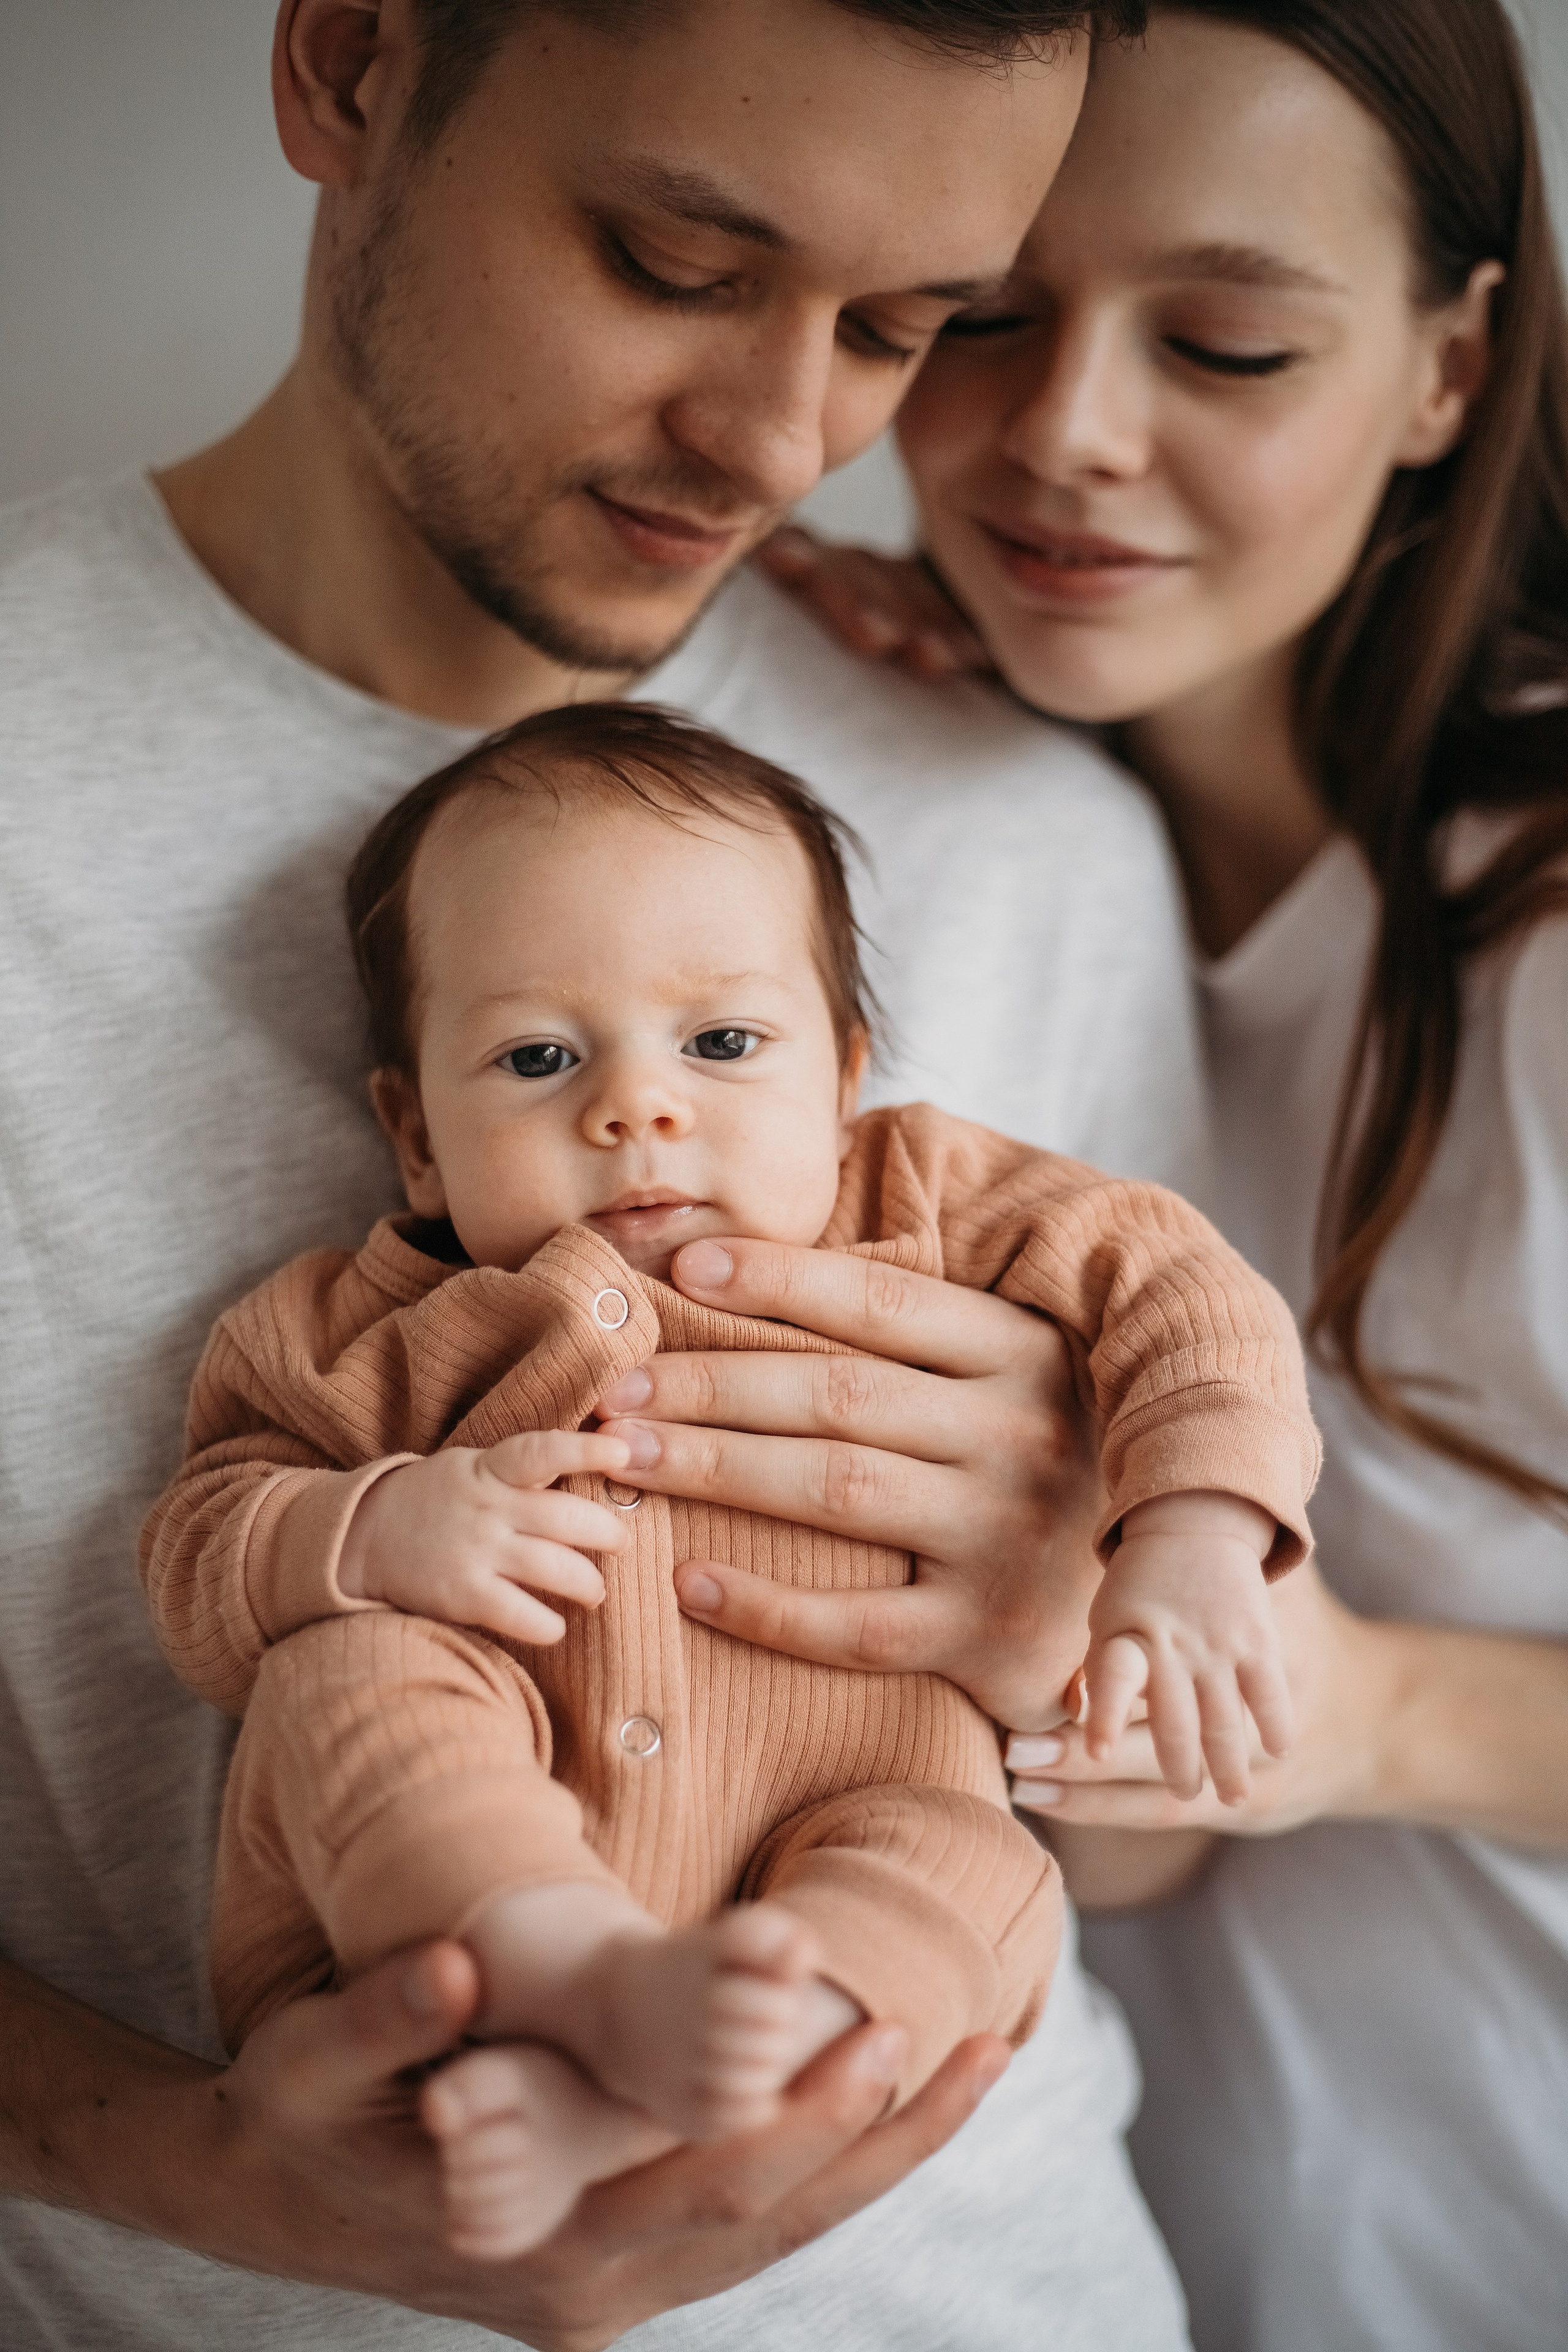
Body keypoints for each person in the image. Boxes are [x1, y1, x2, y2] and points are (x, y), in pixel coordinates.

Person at [0, 3, 1198, 2348]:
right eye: (673, 260)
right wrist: (200, 2174)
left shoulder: (1011, 821)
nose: (784, 443)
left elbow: (1138, 1858)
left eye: (897, 326)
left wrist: (1084, 1589)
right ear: (350, 67)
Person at [748, 3, 1568, 2345]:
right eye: (979, 315)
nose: (1063, 437)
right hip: (1170, 2249)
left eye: (1222, 341)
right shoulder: (928, 853)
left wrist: (1373, 1711)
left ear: (1443, 369)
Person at [140, 703, 1316, 2259]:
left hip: (844, 1829)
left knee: (971, 1873)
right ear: (415, 1138)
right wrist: (358, 1533)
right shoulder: (360, 1331)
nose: (638, 1108)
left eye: (720, 1043)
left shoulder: (924, 1198)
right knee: (347, 1672)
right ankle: (556, 1965)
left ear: (841, 1078)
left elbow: (1185, 1297)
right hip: (423, 1945)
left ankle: (629, 2099)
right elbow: (199, 1557)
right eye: (538, 1057)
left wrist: (1185, 1533)